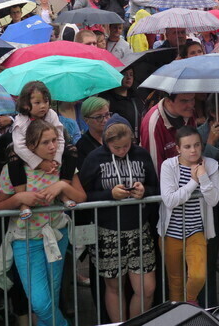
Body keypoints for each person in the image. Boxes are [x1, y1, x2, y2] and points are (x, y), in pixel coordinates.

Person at [0, 119, 85, 326]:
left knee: (50, 300)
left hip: (56, 236)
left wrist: (62, 185)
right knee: (40, 303)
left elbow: (81, 197)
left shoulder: (63, 164)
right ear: (31, 145)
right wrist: (19, 199)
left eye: (54, 140)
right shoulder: (14, 169)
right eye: (46, 142)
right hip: (26, 240)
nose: (53, 146)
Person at [79, 120, 158, 322]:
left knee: (147, 288)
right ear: (106, 143)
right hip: (108, 231)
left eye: (126, 146)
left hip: (139, 228)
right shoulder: (94, 158)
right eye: (117, 148)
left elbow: (155, 187)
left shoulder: (141, 154)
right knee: (114, 287)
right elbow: (83, 195)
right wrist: (109, 194)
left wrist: (145, 191)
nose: (122, 151)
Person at [158, 127, 219, 303]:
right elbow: (169, 200)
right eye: (187, 146)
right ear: (178, 148)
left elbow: (214, 199)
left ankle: (190, 300)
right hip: (171, 232)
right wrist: (194, 182)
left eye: (197, 145)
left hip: (196, 230)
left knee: (199, 276)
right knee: (175, 282)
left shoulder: (211, 165)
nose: (193, 150)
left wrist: (204, 177)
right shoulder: (168, 165)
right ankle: (179, 315)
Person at [10, 82, 74, 219]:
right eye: (37, 102)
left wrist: (55, 159)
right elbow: (19, 147)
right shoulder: (20, 121)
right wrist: (40, 163)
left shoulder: (51, 114)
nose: (43, 106)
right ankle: (23, 202)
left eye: (46, 101)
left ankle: (63, 192)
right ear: (26, 104)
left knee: (71, 150)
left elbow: (60, 138)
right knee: (12, 155)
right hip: (28, 156)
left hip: (51, 154)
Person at [140, 93, 197, 174]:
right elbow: (155, 168)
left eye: (192, 99)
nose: (191, 105)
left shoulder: (190, 113)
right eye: (184, 101)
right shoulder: (153, 122)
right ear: (168, 101)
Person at [100, 68, 144, 139]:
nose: (129, 77)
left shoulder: (136, 97)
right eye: (124, 74)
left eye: (131, 74)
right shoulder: (106, 99)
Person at [76, 97, 109, 165]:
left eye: (107, 115)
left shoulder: (115, 137)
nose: (105, 120)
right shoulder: (82, 146)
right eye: (99, 117)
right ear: (86, 120)